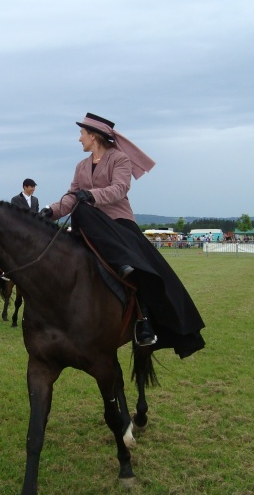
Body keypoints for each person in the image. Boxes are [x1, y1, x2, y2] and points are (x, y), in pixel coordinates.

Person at [42, 113, 205, 357]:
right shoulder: (81, 166)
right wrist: (50, 211)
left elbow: (120, 188)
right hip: (89, 226)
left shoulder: (120, 159)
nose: (79, 139)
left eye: (82, 134)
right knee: (76, 222)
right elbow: (71, 195)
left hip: (117, 223)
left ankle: (144, 321)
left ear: (94, 135)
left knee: (145, 271)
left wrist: (92, 196)